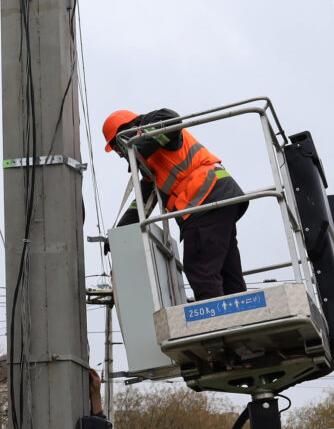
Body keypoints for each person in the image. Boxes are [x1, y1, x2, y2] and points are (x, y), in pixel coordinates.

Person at [103, 108, 247, 301]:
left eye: (116, 147)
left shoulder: (151, 125)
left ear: (125, 132)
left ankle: (219, 326)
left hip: (204, 200)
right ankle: (241, 315)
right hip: (217, 199)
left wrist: (137, 148)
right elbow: (142, 203)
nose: (120, 154)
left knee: (201, 268)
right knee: (226, 270)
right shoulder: (152, 165)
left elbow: (171, 119)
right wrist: (118, 232)